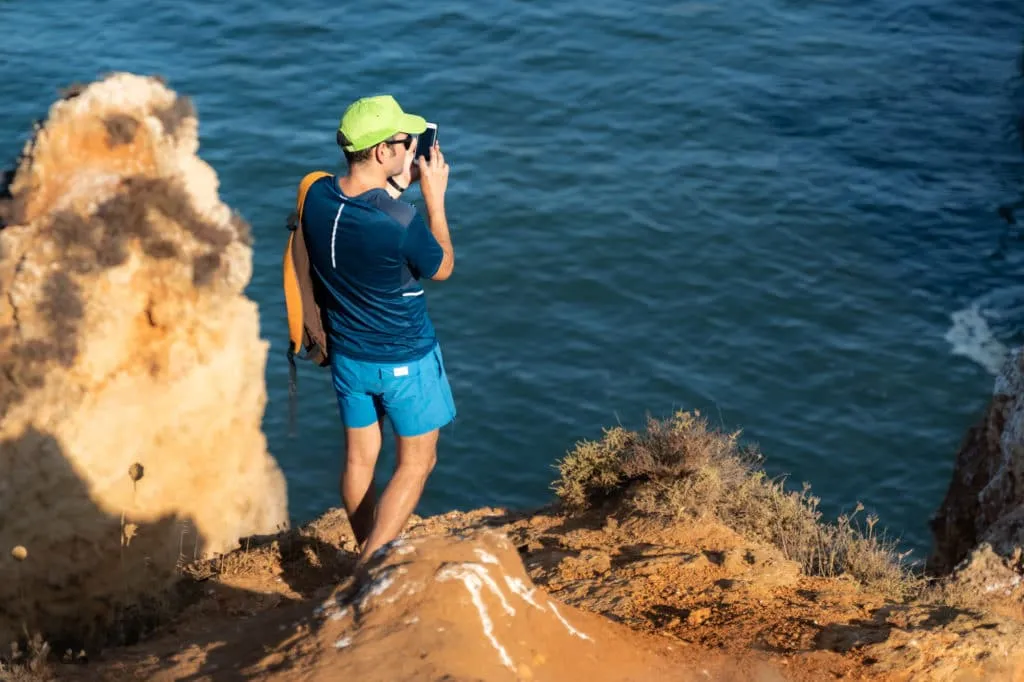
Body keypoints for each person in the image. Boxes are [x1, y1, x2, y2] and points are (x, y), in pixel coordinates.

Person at [299, 94, 456, 566]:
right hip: (404, 358)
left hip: (348, 356)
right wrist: (434, 201)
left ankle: (368, 548)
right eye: (406, 143)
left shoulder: (318, 195)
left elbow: (363, 212)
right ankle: (369, 569)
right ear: (383, 153)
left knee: (359, 462)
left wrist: (393, 190)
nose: (413, 150)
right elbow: (442, 266)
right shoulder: (403, 222)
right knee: (417, 461)